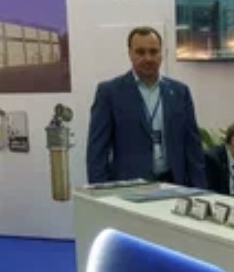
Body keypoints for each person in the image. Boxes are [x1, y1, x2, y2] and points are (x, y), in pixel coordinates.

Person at [86, 27, 206, 187]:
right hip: (129, 188)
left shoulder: (179, 92)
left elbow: (193, 147)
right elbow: (97, 151)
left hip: (174, 185)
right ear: (130, 54)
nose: (148, 58)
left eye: (153, 51)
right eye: (140, 52)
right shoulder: (110, 93)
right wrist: (99, 191)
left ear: (161, 54)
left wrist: (200, 190)